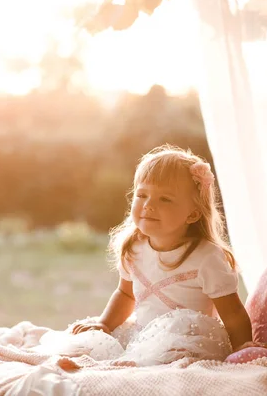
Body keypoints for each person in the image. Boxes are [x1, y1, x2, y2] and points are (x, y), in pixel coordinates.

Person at [68, 145, 253, 365]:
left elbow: (232, 314)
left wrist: (243, 350)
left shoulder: (207, 257)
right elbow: (126, 295)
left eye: (165, 199)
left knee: (170, 350)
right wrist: (105, 324)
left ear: (193, 214)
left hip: (188, 339)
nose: (148, 205)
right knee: (87, 345)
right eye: (142, 195)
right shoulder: (134, 247)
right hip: (144, 332)